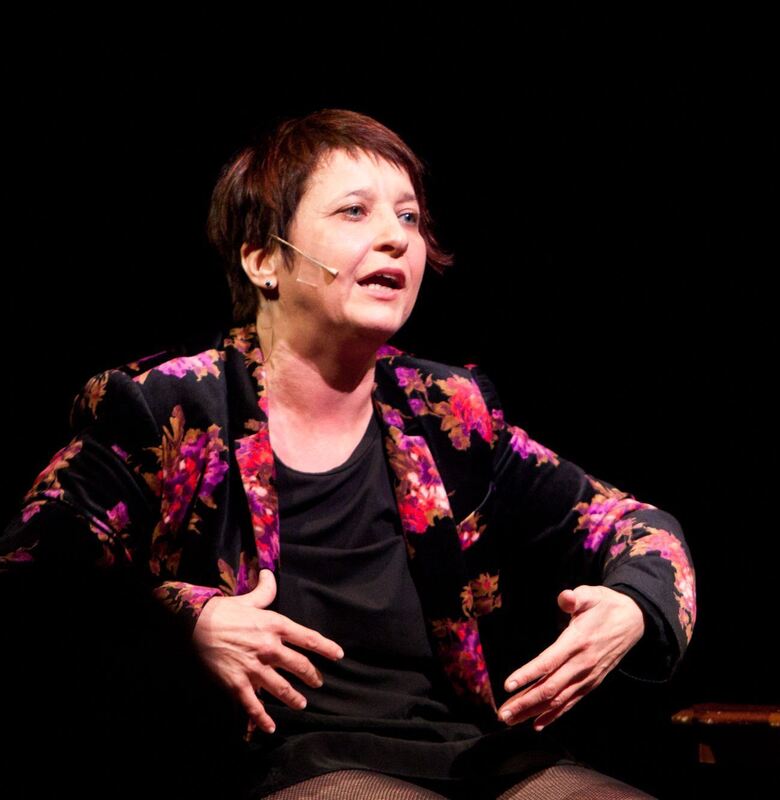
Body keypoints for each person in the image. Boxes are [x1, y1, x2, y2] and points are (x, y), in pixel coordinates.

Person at [0, 109, 696, 799]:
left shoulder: (446, 412)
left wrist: (632, 606)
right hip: (279, 760)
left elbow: (636, 524)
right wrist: (188, 621)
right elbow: (33, 571)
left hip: (465, 754)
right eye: (355, 211)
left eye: (409, 217)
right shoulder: (169, 408)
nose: (396, 237)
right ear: (263, 259)